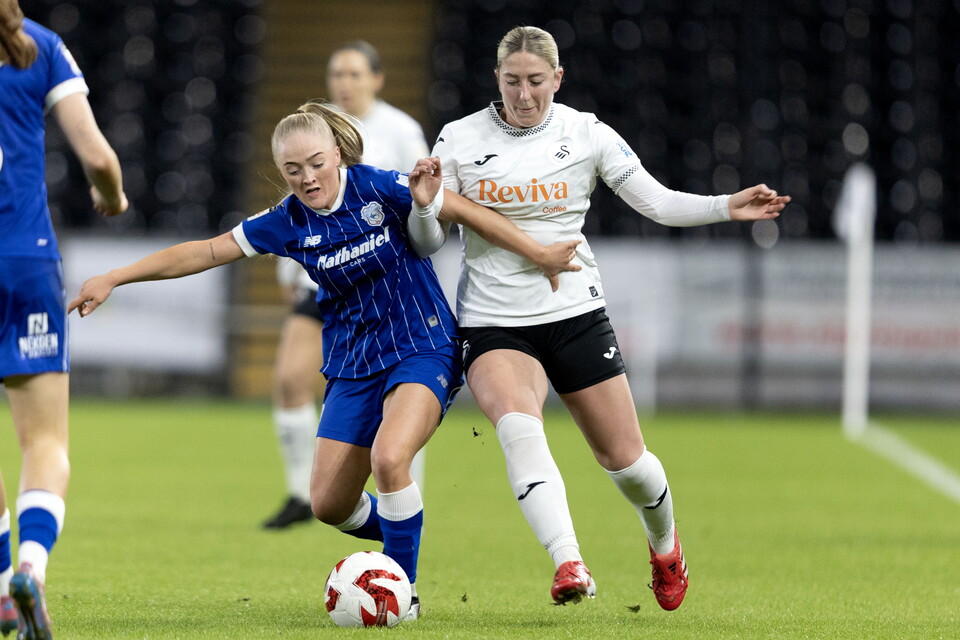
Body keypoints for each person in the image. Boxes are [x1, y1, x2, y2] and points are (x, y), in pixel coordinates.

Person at [68, 101, 578, 621]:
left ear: (337, 154)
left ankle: (404, 592)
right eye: (293, 170)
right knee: (329, 504)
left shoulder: (378, 186)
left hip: (422, 346)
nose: (307, 178)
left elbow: (464, 212)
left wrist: (536, 254)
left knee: (390, 458)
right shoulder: (284, 221)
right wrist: (115, 276)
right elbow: (204, 251)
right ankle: (406, 521)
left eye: (315, 163)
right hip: (353, 364)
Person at [428, 26, 791, 609]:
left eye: (536, 82)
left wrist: (726, 206)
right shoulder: (458, 138)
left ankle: (665, 544)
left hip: (574, 311)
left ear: (558, 79)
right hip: (492, 318)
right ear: (496, 79)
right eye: (512, 81)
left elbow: (659, 202)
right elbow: (427, 237)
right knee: (518, 428)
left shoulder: (587, 132)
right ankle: (569, 562)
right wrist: (426, 206)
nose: (524, 95)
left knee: (627, 465)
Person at [263, 40, 432, 530]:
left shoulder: (400, 130)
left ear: (376, 80)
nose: (345, 83)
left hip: (384, 286)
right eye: (338, 74)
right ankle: (300, 492)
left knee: (397, 413)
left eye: (355, 74)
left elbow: (423, 196)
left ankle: (401, 502)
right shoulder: (312, 133)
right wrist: (286, 270)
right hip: (324, 282)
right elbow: (291, 214)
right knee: (291, 380)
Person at [0, 1, 128, 637]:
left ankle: (1, 588)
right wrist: (113, 195)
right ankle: (30, 566)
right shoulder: (40, 46)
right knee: (44, 442)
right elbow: (99, 157)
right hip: (26, 259)